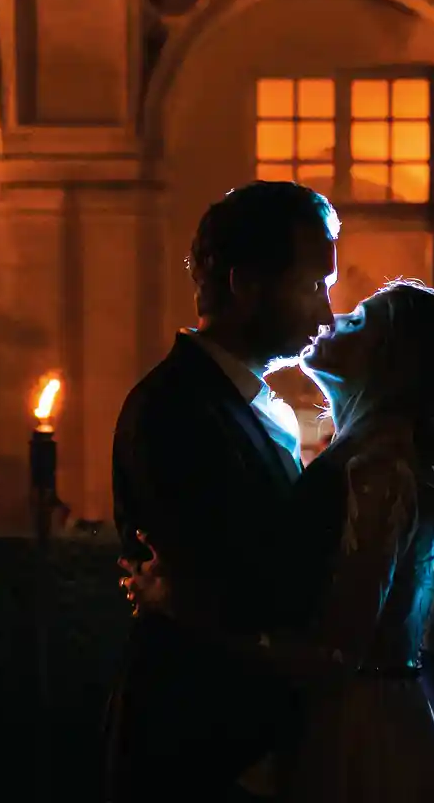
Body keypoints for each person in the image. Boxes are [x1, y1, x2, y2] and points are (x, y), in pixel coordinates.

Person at [124, 276, 434, 803]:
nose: (336, 317)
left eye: (361, 321)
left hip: (356, 737)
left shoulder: (378, 473)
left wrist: (186, 608)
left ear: (391, 362)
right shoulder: (367, 461)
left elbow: (334, 654)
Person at [104, 180, 341, 802]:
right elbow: (234, 586)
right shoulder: (174, 410)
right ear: (246, 284)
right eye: (314, 285)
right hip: (203, 752)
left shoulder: (235, 402)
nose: (326, 314)